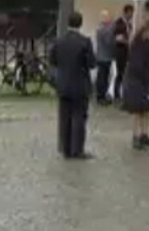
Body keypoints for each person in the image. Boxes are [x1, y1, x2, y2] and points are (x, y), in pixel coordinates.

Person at [49, 12, 95, 160]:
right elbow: (91, 63)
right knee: (79, 117)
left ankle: (65, 148)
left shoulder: (58, 41)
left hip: (63, 84)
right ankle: (77, 149)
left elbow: (53, 60)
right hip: (80, 85)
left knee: (65, 117)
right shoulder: (85, 42)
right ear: (80, 24)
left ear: (68, 23)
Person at [123, 19, 149, 150]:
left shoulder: (145, 43)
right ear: (147, 31)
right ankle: (136, 137)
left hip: (143, 82)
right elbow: (137, 65)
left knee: (145, 109)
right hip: (136, 81)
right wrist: (145, 76)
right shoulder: (138, 44)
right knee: (138, 110)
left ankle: (144, 135)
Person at [112, 4, 134, 104]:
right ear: (126, 12)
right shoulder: (119, 23)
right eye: (130, 13)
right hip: (120, 52)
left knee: (124, 73)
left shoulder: (129, 24)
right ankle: (116, 94)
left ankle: (122, 93)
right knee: (120, 73)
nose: (132, 15)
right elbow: (117, 39)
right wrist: (128, 42)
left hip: (126, 51)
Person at [94, 10, 116, 105]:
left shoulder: (101, 28)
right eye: (108, 17)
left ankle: (102, 95)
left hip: (102, 56)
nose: (109, 19)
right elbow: (108, 42)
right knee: (103, 77)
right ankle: (101, 96)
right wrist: (115, 38)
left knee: (104, 76)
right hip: (104, 56)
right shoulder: (103, 29)